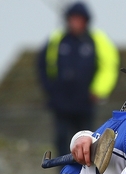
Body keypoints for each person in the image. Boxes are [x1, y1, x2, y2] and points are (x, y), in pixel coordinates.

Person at [37, 2, 118, 156]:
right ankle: (62, 173)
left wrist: (98, 91)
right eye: (72, 19)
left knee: (86, 139)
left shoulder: (96, 40)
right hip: (61, 103)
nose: (75, 23)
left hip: (85, 103)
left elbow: (109, 66)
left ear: (86, 21)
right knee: (61, 139)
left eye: (79, 19)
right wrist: (51, 90)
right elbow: (43, 65)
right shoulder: (57, 39)